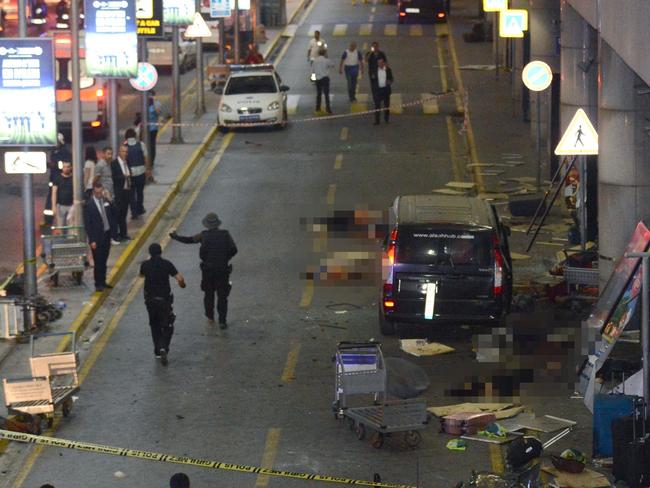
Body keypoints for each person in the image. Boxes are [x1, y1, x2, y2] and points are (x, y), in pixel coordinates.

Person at [170, 213, 237, 328]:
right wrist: (225, 258)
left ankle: (210, 316)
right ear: (217, 224)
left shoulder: (203, 235)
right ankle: (222, 321)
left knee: (208, 294)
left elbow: (189, 240)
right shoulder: (225, 234)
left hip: (208, 270)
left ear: (206, 225)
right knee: (222, 295)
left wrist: (175, 236)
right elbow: (234, 250)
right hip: (222, 270)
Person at [139, 243, 186, 366]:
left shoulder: (145, 265)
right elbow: (180, 279)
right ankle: (164, 346)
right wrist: (182, 285)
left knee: (154, 325)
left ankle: (158, 351)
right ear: (161, 252)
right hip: (164, 301)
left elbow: (141, 275)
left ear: (150, 253)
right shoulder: (167, 264)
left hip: (150, 301)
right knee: (168, 325)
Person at [83, 182, 115, 292]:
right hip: (96, 238)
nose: (99, 194)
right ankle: (98, 283)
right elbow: (88, 224)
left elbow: (114, 213)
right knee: (98, 261)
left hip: (106, 235)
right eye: (97, 193)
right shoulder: (89, 205)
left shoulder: (105, 202)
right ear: (93, 192)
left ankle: (103, 280)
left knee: (104, 260)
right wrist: (92, 240)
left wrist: (110, 200)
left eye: (101, 192)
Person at [44, 133, 72, 226]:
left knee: (58, 198)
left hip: (61, 180)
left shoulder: (65, 153)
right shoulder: (54, 152)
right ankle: (48, 220)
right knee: (50, 200)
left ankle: (52, 220)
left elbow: (66, 165)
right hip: (54, 179)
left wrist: (53, 165)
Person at [124, 128, 149, 219]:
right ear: (135, 136)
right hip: (141, 172)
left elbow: (123, 161)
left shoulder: (124, 147)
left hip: (130, 174)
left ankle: (133, 212)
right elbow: (146, 158)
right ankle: (140, 208)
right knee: (140, 192)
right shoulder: (141, 144)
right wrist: (147, 170)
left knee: (131, 194)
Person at [111, 144, 131, 242]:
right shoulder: (114, 164)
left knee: (124, 213)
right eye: (123, 152)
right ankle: (116, 234)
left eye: (126, 152)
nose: (125, 154)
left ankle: (123, 233)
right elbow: (114, 178)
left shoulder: (127, 163)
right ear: (119, 152)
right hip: (119, 192)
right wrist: (124, 176)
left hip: (126, 191)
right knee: (117, 214)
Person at [51, 161, 74, 228]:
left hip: (71, 206)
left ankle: (70, 238)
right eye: (64, 167)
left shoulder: (73, 178)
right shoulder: (57, 178)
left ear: (71, 167)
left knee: (71, 226)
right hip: (60, 205)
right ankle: (61, 238)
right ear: (62, 168)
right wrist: (53, 206)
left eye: (68, 167)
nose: (66, 169)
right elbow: (54, 193)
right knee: (60, 226)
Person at [312, 47, 333, 115]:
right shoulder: (326, 60)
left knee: (319, 94)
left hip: (318, 79)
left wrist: (313, 79)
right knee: (326, 94)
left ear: (318, 53)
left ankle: (318, 107)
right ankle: (328, 108)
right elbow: (332, 65)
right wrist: (327, 57)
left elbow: (313, 70)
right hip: (325, 78)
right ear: (324, 53)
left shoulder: (315, 60)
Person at [373, 58, 393, 125]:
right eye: (378, 63)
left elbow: (391, 78)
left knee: (387, 105)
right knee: (377, 106)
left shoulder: (388, 70)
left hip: (386, 90)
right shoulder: (375, 70)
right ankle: (377, 121)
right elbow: (373, 79)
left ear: (384, 63)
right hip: (378, 90)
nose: (380, 64)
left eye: (381, 63)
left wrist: (389, 82)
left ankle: (386, 119)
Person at [147, 92, 162, 169]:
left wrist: (154, 102)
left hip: (152, 129)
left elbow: (158, 112)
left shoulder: (156, 103)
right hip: (144, 129)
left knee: (152, 146)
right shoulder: (144, 102)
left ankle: (151, 162)